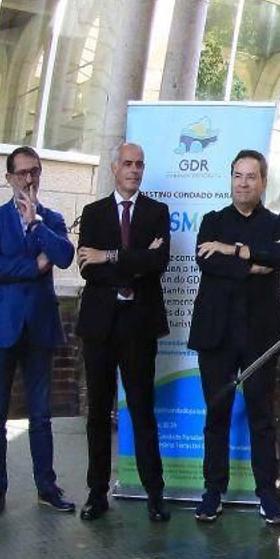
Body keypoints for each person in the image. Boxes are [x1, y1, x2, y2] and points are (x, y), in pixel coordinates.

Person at [188, 149, 280, 527]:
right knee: (215, 415)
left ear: (263, 181)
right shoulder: (212, 221)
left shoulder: (278, 223)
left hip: (260, 336)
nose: (243, 182)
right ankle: (212, 492)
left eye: (251, 176)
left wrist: (232, 252)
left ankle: (267, 494)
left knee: (262, 417)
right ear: (230, 178)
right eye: (237, 175)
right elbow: (206, 260)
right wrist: (253, 265)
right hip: (216, 334)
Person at [74, 142, 171, 523]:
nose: (134, 169)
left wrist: (109, 256)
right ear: (115, 168)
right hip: (99, 326)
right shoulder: (93, 213)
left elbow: (158, 262)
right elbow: (86, 268)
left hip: (139, 325)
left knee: (142, 410)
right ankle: (97, 493)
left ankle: (155, 494)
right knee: (98, 412)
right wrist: (134, 262)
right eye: (128, 163)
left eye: (140, 164)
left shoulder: (156, 212)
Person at [0, 146, 76, 517]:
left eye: (34, 171)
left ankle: (46, 487)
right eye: (21, 173)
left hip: (39, 329)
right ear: (9, 178)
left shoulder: (51, 219)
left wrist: (36, 224)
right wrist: (34, 265)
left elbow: (64, 256)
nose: (29, 179)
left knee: (41, 416)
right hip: (0, 329)